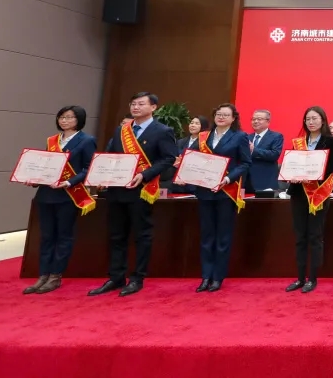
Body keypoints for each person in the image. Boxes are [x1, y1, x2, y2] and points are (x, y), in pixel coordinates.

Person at [88, 92, 177, 298]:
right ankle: (116, 277)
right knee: (116, 234)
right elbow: (111, 156)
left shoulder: (163, 131)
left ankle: (137, 278)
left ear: (153, 107)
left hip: (141, 190)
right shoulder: (122, 130)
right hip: (116, 189)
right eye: (133, 104)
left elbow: (168, 158)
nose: (135, 107)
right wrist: (102, 176)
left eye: (141, 104)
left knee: (141, 235)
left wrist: (145, 174)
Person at [23, 106, 96, 294]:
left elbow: (89, 168)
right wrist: (34, 178)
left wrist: (70, 181)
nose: (64, 120)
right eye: (62, 117)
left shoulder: (87, 140)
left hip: (68, 195)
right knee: (46, 236)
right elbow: (46, 165)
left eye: (70, 117)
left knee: (63, 236)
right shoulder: (52, 140)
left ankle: (55, 276)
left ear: (79, 120)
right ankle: (43, 275)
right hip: (46, 195)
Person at [191, 103, 250, 292]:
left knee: (223, 237)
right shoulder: (204, 136)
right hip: (205, 191)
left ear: (233, 118)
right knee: (206, 236)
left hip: (226, 192)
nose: (221, 117)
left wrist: (228, 178)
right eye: (218, 114)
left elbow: (245, 163)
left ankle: (218, 277)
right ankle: (205, 276)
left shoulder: (239, 136)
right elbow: (193, 159)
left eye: (225, 115)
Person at [285, 106, 333, 293]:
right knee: (300, 236)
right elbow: (292, 165)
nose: (311, 122)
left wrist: (313, 177)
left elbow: (331, 167)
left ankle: (312, 279)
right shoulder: (299, 142)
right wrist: (292, 175)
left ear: (322, 120)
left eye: (314, 118)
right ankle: (300, 278)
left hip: (318, 194)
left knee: (315, 236)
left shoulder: (330, 141)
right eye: (307, 119)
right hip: (299, 194)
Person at [247, 110, 284, 194]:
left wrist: (253, 150)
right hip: (247, 182)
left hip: (266, 181)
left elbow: (274, 155)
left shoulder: (276, 136)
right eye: (253, 119)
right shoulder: (247, 137)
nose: (255, 121)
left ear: (268, 122)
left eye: (259, 119)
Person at [168, 116, 208, 194]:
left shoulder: (206, 143)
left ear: (203, 126)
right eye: (191, 123)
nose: (193, 125)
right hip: (178, 181)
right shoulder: (181, 142)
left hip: (196, 182)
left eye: (197, 123)